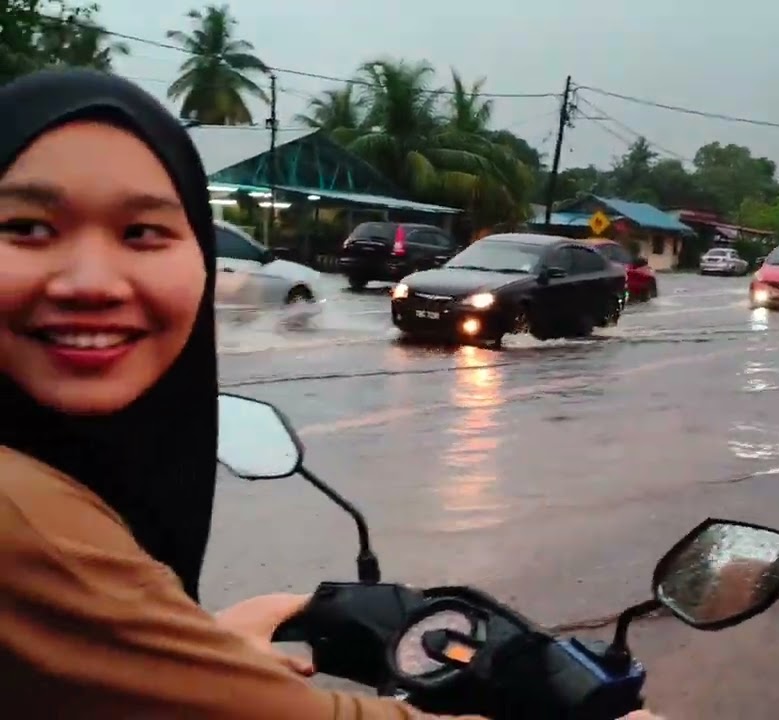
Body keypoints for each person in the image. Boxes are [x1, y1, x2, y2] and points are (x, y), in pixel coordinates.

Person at [0, 69, 660, 720]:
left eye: (143, 234)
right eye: (27, 227)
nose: (91, 283)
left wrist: (201, 647)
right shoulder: (25, 521)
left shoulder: (64, 509)